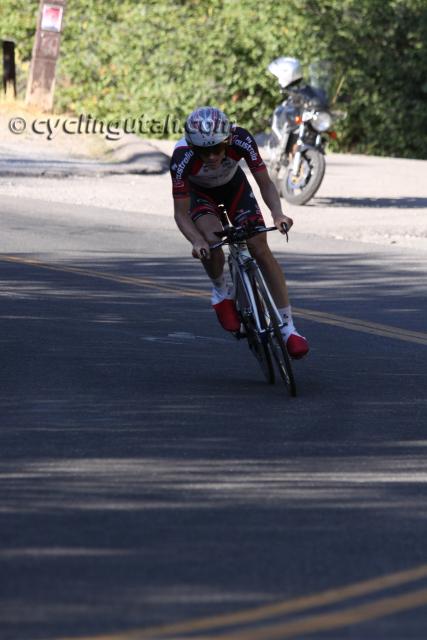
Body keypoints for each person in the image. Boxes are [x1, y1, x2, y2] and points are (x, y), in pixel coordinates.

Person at [170, 106, 309, 359]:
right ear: (192, 147)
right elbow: (180, 214)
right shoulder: (182, 158)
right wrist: (197, 240)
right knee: (211, 241)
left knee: (260, 248)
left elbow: (265, 183)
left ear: (228, 140)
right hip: (200, 195)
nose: (212, 157)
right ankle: (221, 292)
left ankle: (288, 329)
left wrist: (277, 214)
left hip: (234, 187)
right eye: (204, 151)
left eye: (217, 148)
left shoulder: (241, 138)